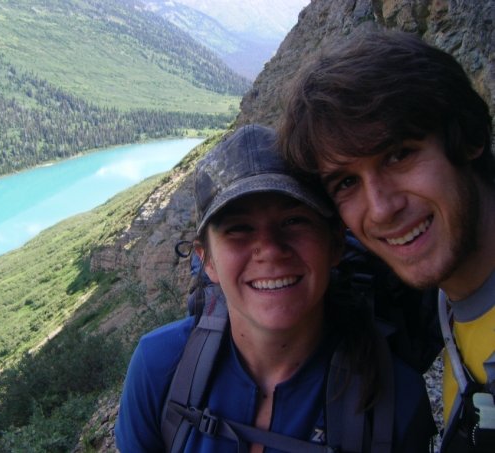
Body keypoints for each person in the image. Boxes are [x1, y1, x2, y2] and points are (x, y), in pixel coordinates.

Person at [115, 124, 436, 452]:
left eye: (295, 220)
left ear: (335, 242)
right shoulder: (157, 367)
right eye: (239, 229)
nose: (269, 249)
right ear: (206, 260)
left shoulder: (395, 400)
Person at [279, 30, 495, 452]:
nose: (380, 209)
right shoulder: (451, 292)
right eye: (346, 182)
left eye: (399, 154)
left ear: (467, 136)